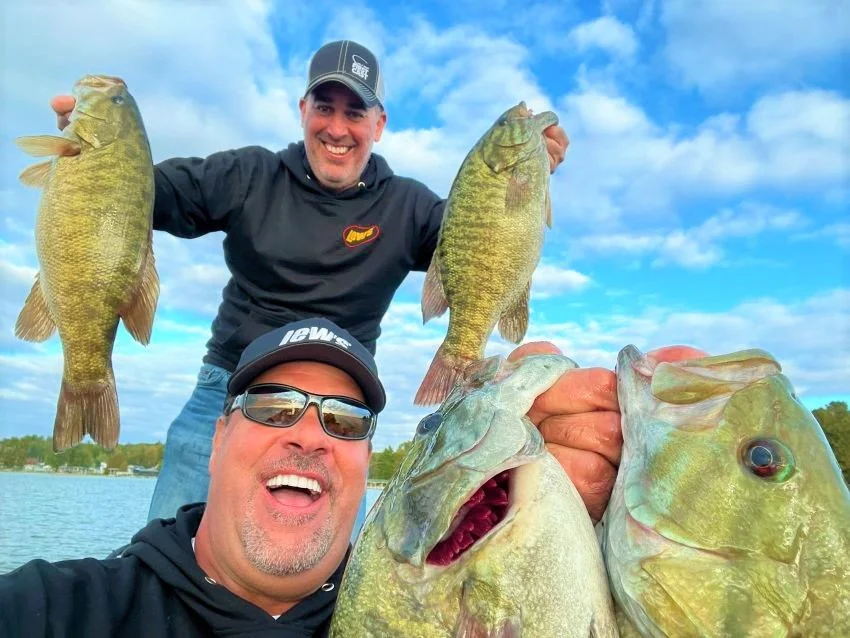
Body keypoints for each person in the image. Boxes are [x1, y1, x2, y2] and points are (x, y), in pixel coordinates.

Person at [49, 40, 571, 524]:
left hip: (341, 413)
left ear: (379, 123)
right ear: (303, 111)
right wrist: (101, 155)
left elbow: (484, 244)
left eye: (355, 112)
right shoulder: (248, 174)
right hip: (227, 394)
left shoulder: (409, 206)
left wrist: (527, 181)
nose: (337, 128)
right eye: (325, 107)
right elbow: (142, 195)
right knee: (168, 561)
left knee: (332, 591)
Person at [0, 315, 707, 637]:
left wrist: (595, 529)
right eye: (274, 407)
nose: (310, 433)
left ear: (367, 466)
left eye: (345, 421)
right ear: (216, 439)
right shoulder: (57, 609)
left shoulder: (412, 596)